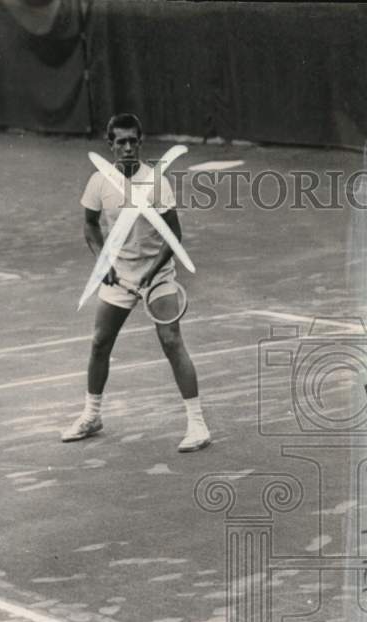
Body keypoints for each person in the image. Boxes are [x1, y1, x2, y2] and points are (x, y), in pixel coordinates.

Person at [61, 113, 211, 452]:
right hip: (120, 276)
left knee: (172, 340)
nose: (127, 147)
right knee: (100, 343)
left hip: (157, 274)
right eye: (121, 142)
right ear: (110, 145)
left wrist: (152, 272)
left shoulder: (156, 182)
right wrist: (104, 261)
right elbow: (89, 225)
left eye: (133, 141)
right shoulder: (99, 182)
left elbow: (174, 233)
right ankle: (92, 415)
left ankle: (198, 424)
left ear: (140, 143)